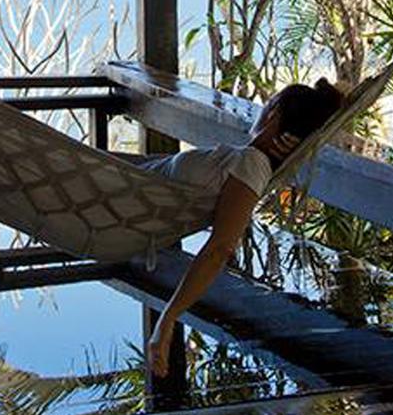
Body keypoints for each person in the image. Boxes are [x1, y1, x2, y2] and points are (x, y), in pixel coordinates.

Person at [137, 78, 344, 378]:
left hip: (113, 194)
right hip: (120, 180)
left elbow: (221, 248)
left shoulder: (252, 164)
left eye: (267, 104)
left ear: (272, 114)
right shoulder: (248, 158)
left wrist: (168, 318)